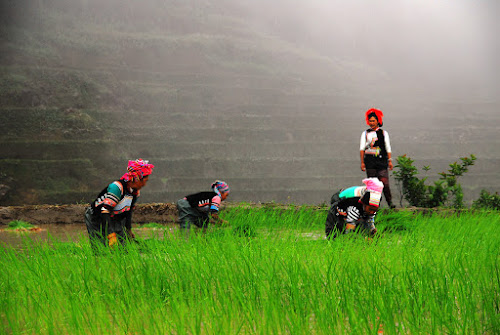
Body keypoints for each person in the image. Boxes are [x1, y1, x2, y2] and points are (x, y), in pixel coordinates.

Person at [84, 159, 154, 249]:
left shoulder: (135, 192)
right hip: (98, 216)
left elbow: (128, 212)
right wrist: (111, 235)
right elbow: (104, 211)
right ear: (136, 178)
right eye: (145, 181)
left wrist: (128, 230)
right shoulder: (117, 188)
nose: (145, 184)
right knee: (102, 249)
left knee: (122, 248)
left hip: (115, 216)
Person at [360, 108, 395, 208]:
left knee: (385, 182)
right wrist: (362, 162)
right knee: (373, 185)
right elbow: (362, 148)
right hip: (370, 161)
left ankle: (390, 202)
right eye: (370, 121)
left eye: (373, 121)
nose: (371, 123)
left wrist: (390, 160)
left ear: (378, 121)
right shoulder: (365, 133)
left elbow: (388, 147)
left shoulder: (384, 133)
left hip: (381, 161)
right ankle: (374, 205)